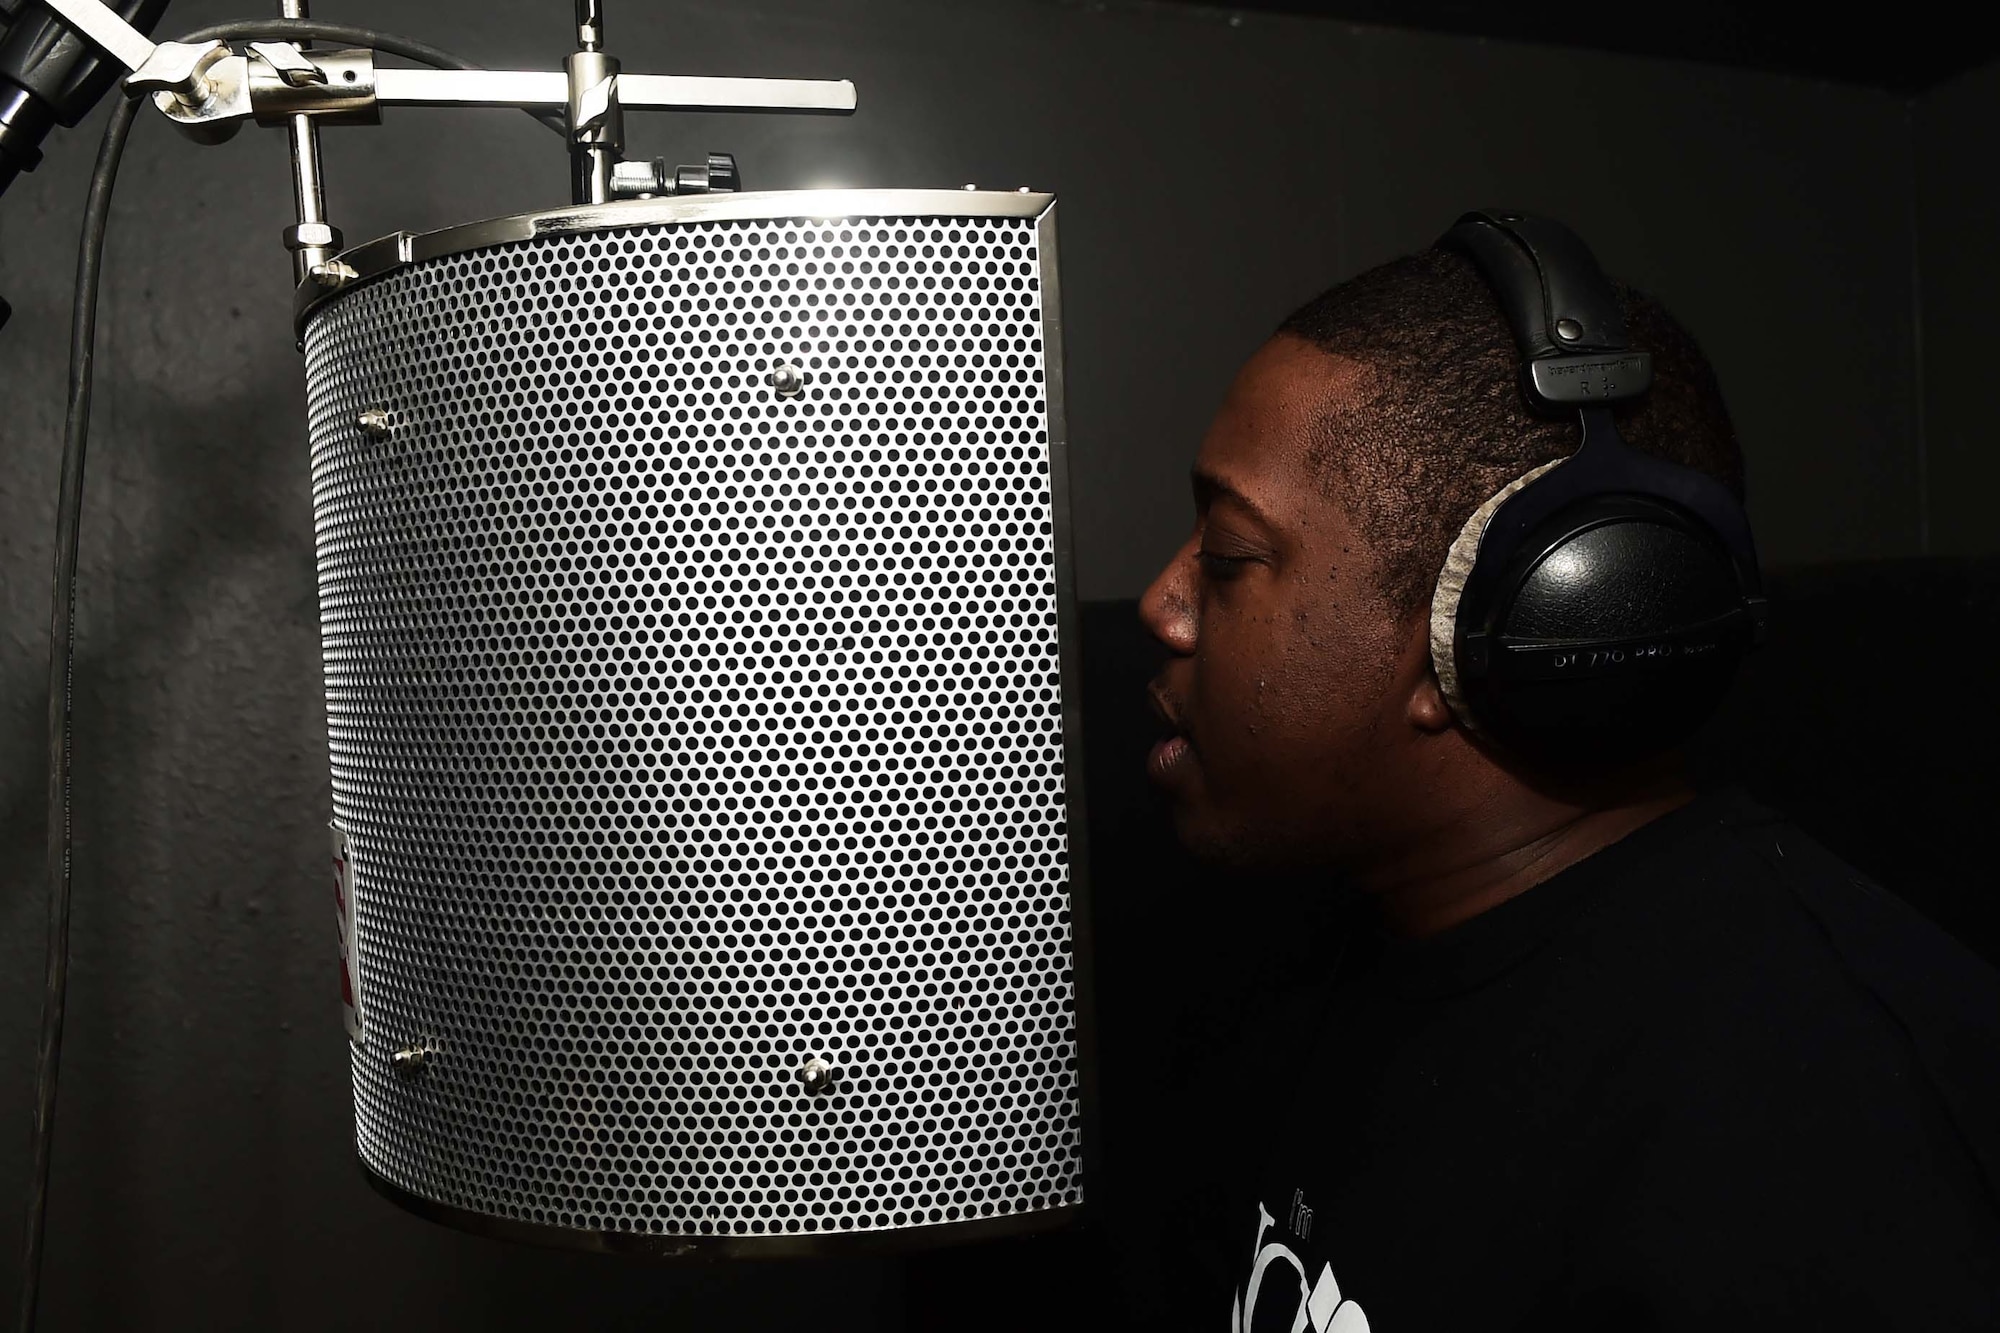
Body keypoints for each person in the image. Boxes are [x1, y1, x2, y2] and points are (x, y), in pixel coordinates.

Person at [1135, 239, 2000, 1329]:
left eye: (1223, 552)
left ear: (1510, 621)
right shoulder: (1331, 968)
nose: (1162, 605)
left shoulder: (1819, 1150)